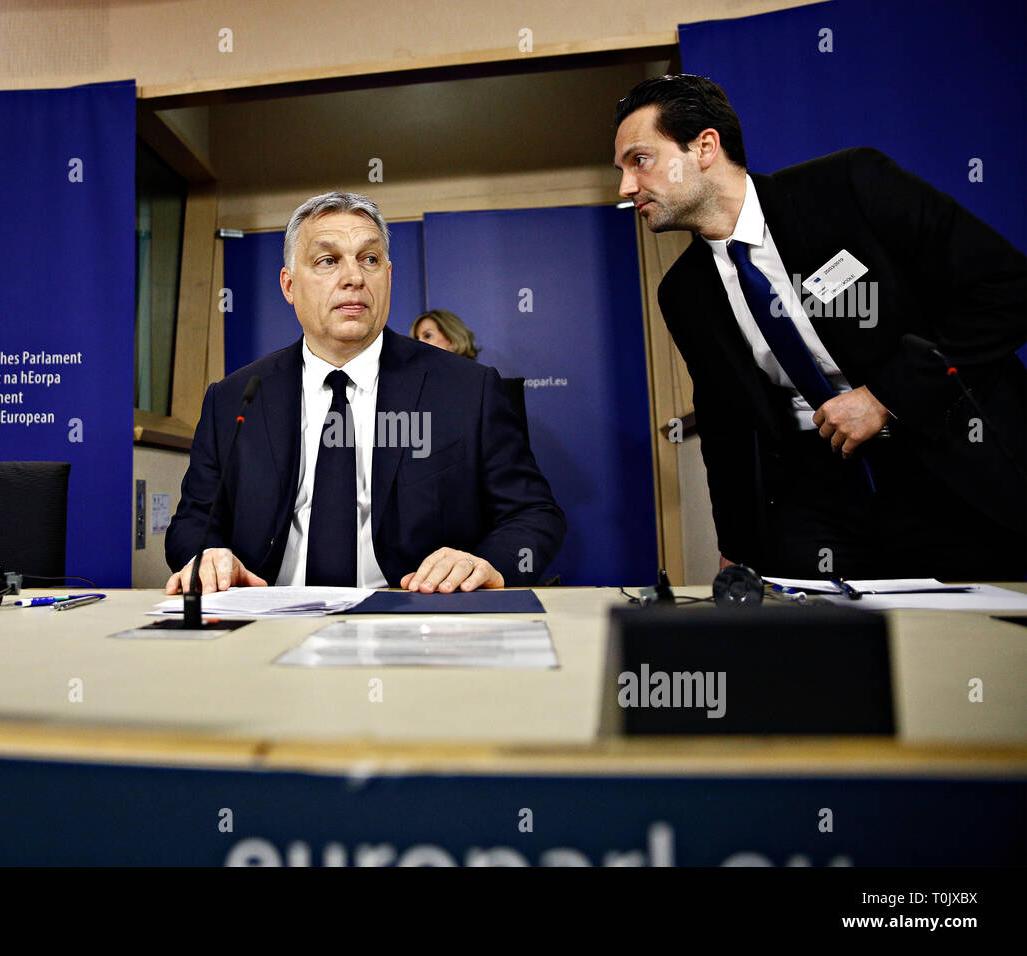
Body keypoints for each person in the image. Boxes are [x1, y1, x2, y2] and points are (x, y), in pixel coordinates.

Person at [613, 74, 1026, 580]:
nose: (626, 187)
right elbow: (725, 424)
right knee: (824, 648)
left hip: (947, 463)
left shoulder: (850, 187)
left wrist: (883, 397)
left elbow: (1005, 288)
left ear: (703, 147)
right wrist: (737, 545)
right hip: (817, 502)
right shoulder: (682, 292)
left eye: (640, 160)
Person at [165, 191, 565, 594]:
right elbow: (192, 524)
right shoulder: (233, 397)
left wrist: (487, 564)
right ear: (289, 286)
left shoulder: (468, 389)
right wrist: (210, 554)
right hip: (268, 617)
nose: (354, 277)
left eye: (370, 260)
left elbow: (534, 514)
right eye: (328, 261)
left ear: (387, 278)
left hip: (415, 620)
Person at [411, 309, 479, 359]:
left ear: (451, 338)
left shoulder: (477, 376)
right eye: (417, 338)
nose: (419, 343)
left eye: (427, 336)